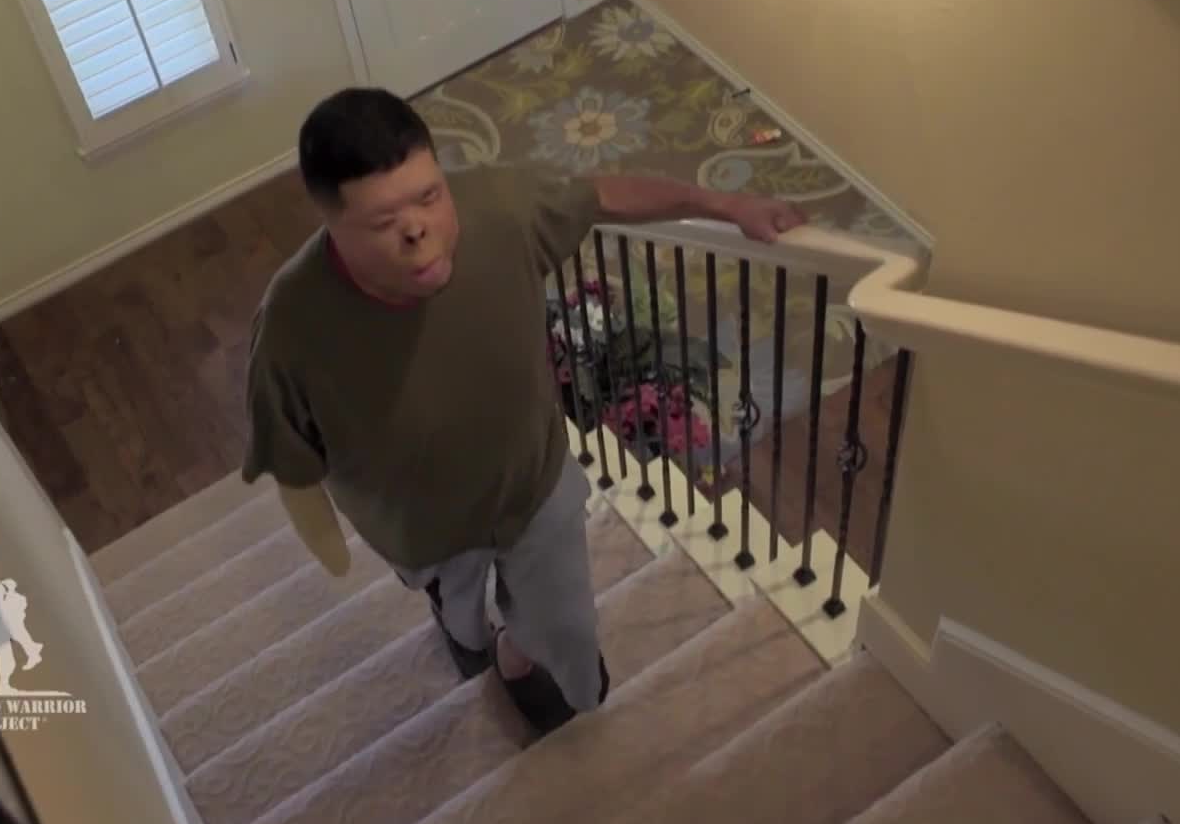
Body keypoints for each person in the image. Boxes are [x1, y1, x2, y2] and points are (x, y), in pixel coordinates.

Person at [242, 87, 805, 734]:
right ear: (330, 225)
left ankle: (523, 652)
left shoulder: (499, 208)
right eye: (382, 220)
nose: (418, 229)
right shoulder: (290, 329)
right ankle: (463, 627)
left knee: (563, 626)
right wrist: (328, 546)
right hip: (421, 533)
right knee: (460, 617)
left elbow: (598, 194)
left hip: (533, 486)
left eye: (429, 195)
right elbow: (291, 460)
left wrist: (723, 202)